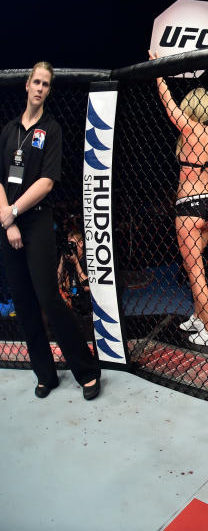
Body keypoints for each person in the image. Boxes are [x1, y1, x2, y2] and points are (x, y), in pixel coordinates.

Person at [0, 62, 101, 399]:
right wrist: (7, 219)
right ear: (27, 85)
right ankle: (45, 375)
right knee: (24, 303)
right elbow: (0, 178)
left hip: (36, 220)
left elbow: (46, 183)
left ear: (48, 91)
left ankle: (86, 370)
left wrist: (14, 212)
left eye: (46, 84)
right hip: (7, 224)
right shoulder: (9, 130)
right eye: (36, 82)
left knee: (48, 297)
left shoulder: (51, 128)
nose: (40, 88)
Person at [149, 51, 208, 347]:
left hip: (189, 208)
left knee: (196, 271)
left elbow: (167, 102)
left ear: (191, 106)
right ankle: (199, 316)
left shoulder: (189, 129)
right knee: (194, 266)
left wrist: (158, 70)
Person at [57, 230, 90, 312]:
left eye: (72, 244)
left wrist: (76, 262)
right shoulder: (69, 260)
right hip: (73, 304)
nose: (70, 247)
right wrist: (62, 261)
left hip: (87, 304)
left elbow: (86, 287)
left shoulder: (88, 259)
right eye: (68, 245)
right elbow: (58, 282)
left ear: (81, 243)